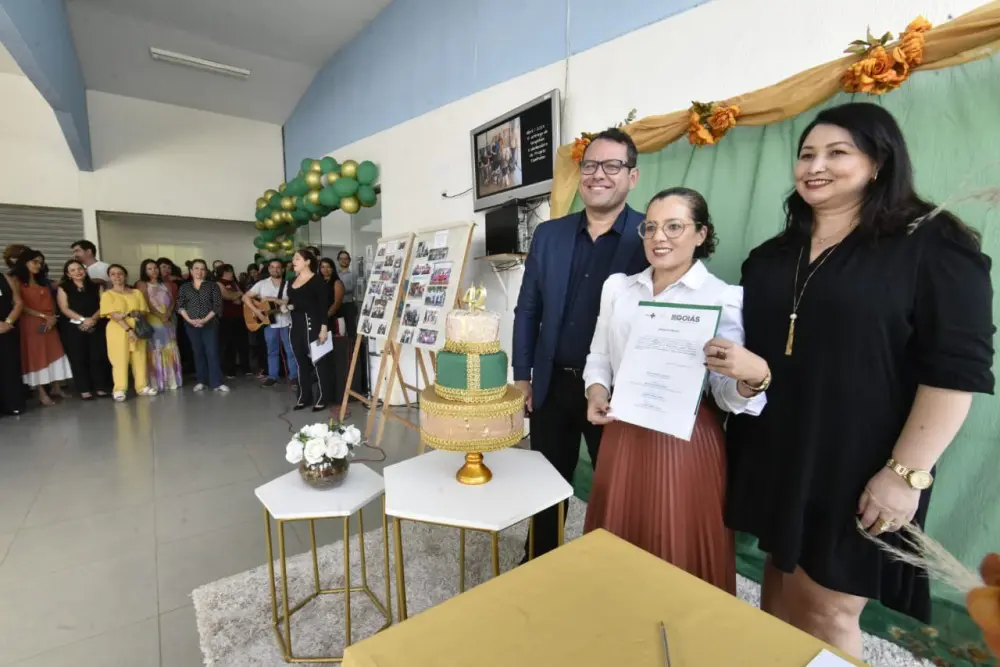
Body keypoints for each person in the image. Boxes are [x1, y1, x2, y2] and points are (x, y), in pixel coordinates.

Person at [725, 103, 995, 658]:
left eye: (837, 152)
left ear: (878, 162)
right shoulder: (769, 259)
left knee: (826, 608)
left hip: (864, 461)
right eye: (806, 155)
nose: (815, 166)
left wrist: (904, 474)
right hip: (777, 448)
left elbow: (955, 373)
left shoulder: (932, 242)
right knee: (779, 589)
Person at [582, 188, 769, 592]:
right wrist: (596, 391)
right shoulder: (619, 289)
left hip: (685, 440)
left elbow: (724, 393)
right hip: (623, 430)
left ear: (701, 234)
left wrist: (748, 380)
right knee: (617, 539)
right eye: (650, 227)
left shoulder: (722, 298)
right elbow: (599, 354)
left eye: (674, 226)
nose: (658, 237)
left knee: (677, 546)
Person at [513, 127, 649, 559]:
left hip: (615, 391)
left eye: (612, 166)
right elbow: (527, 310)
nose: (598, 175)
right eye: (589, 165)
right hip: (552, 382)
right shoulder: (549, 235)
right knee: (545, 484)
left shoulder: (651, 236)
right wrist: (522, 376)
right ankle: (541, 558)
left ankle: (607, 568)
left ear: (633, 176)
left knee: (618, 490)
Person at [12, 250, 72, 405]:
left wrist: (52, 317)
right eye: (35, 262)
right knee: (36, 355)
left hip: (50, 321)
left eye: (40, 262)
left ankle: (56, 387)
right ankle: (41, 392)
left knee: (55, 352)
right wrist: (43, 316)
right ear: (25, 262)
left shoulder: (43, 280)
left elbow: (51, 300)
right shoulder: (17, 280)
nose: (38, 265)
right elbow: (20, 305)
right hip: (31, 323)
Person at [100, 264, 156, 402]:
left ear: (125, 275)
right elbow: (114, 315)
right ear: (109, 277)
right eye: (113, 274)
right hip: (118, 330)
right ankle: (119, 389)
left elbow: (143, 310)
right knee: (120, 359)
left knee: (140, 356)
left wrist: (131, 315)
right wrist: (128, 329)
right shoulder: (107, 294)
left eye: (120, 273)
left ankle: (142, 386)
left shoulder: (136, 292)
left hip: (138, 327)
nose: (117, 276)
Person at [287, 249, 335, 411]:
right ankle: (304, 397)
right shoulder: (292, 281)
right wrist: (288, 306)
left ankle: (323, 397)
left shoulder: (317, 281)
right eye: (294, 259)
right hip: (296, 324)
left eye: (297, 258)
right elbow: (295, 301)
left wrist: (323, 328)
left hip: (313, 323)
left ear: (307, 262)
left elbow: (323, 307)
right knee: (300, 362)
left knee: (319, 362)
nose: (294, 261)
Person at [56, 260, 112, 399]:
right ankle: (84, 389)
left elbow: (103, 305)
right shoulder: (64, 287)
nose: (77, 272)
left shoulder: (96, 286)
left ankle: (100, 387)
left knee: (97, 356)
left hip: (96, 324)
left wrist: (92, 319)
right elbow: (64, 308)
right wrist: (83, 320)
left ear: (84, 270)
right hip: (74, 327)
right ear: (68, 274)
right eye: (73, 270)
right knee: (78, 358)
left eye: (79, 269)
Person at [244, 259, 298, 388]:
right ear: (268, 270)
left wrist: (274, 299)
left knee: (290, 351)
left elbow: (294, 303)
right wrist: (257, 311)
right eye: (272, 267)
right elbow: (245, 297)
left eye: (278, 267)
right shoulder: (261, 284)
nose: (275, 269)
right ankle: (272, 376)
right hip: (269, 323)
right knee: (271, 351)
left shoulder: (289, 284)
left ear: (283, 269)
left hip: (287, 321)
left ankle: (294, 377)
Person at [177, 259, 228, 393]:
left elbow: (217, 305)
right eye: (196, 268)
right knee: (198, 352)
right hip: (191, 325)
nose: (199, 271)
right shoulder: (184, 287)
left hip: (210, 323)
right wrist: (190, 319)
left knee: (212, 352)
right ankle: (201, 381)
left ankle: (216, 382)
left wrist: (204, 320)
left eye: (202, 269)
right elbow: (180, 306)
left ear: (206, 271)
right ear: (191, 271)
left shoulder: (212, 286)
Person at [135, 259, 182, 391]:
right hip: (153, 320)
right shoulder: (142, 284)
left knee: (171, 347)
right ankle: (158, 381)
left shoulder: (165, 284)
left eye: (155, 268)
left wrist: (168, 313)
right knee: (156, 349)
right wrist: (159, 315)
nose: (153, 270)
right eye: (149, 268)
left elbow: (173, 300)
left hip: (168, 320)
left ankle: (172, 380)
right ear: (144, 271)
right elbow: (145, 302)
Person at [216, 264, 251, 378]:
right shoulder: (219, 283)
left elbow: (243, 297)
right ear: (224, 272)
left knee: (243, 344)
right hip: (226, 317)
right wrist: (238, 295)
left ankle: (246, 367)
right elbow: (227, 296)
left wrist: (238, 296)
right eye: (230, 271)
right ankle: (230, 370)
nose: (231, 273)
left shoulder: (235, 283)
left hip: (240, 317)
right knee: (229, 345)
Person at [0, 269, 25, 416]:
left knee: (10, 366)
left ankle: (13, 404)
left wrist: (8, 322)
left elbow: (18, 302)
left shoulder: (4, 277)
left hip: (7, 328)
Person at [335, 250, 358, 338]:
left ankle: (353, 350)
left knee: (351, 330)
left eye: (346, 259)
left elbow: (350, 288)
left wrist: (337, 289)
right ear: (338, 260)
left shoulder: (353, 274)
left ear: (349, 260)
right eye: (341, 259)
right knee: (338, 330)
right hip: (337, 305)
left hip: (349, 305)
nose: (344, 260)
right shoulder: (335, 274)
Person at [318, 257, 344, 333]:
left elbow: (336, 304)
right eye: (323, 267)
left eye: (328, 267)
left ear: (332, 268)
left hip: (334, 319)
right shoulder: (318, 282)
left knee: (335, 343)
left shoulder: (337, 283)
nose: (325, 269)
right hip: (321, 319)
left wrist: (325, 318)